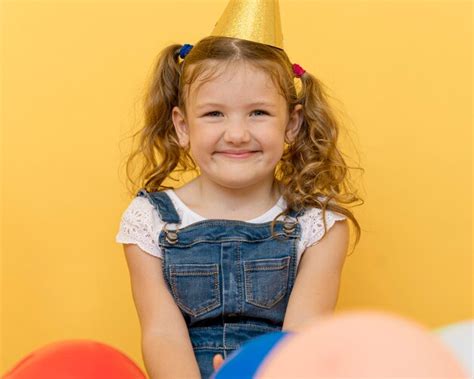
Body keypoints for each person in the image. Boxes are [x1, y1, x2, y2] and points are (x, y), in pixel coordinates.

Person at [116, 1, 363, 378]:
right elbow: (161, 333)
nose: (237, 134)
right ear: (182, 126)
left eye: (259, 113)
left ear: (292, 124)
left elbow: (301, 337)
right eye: (214, 113)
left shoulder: (320, 223)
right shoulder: (149, 220)